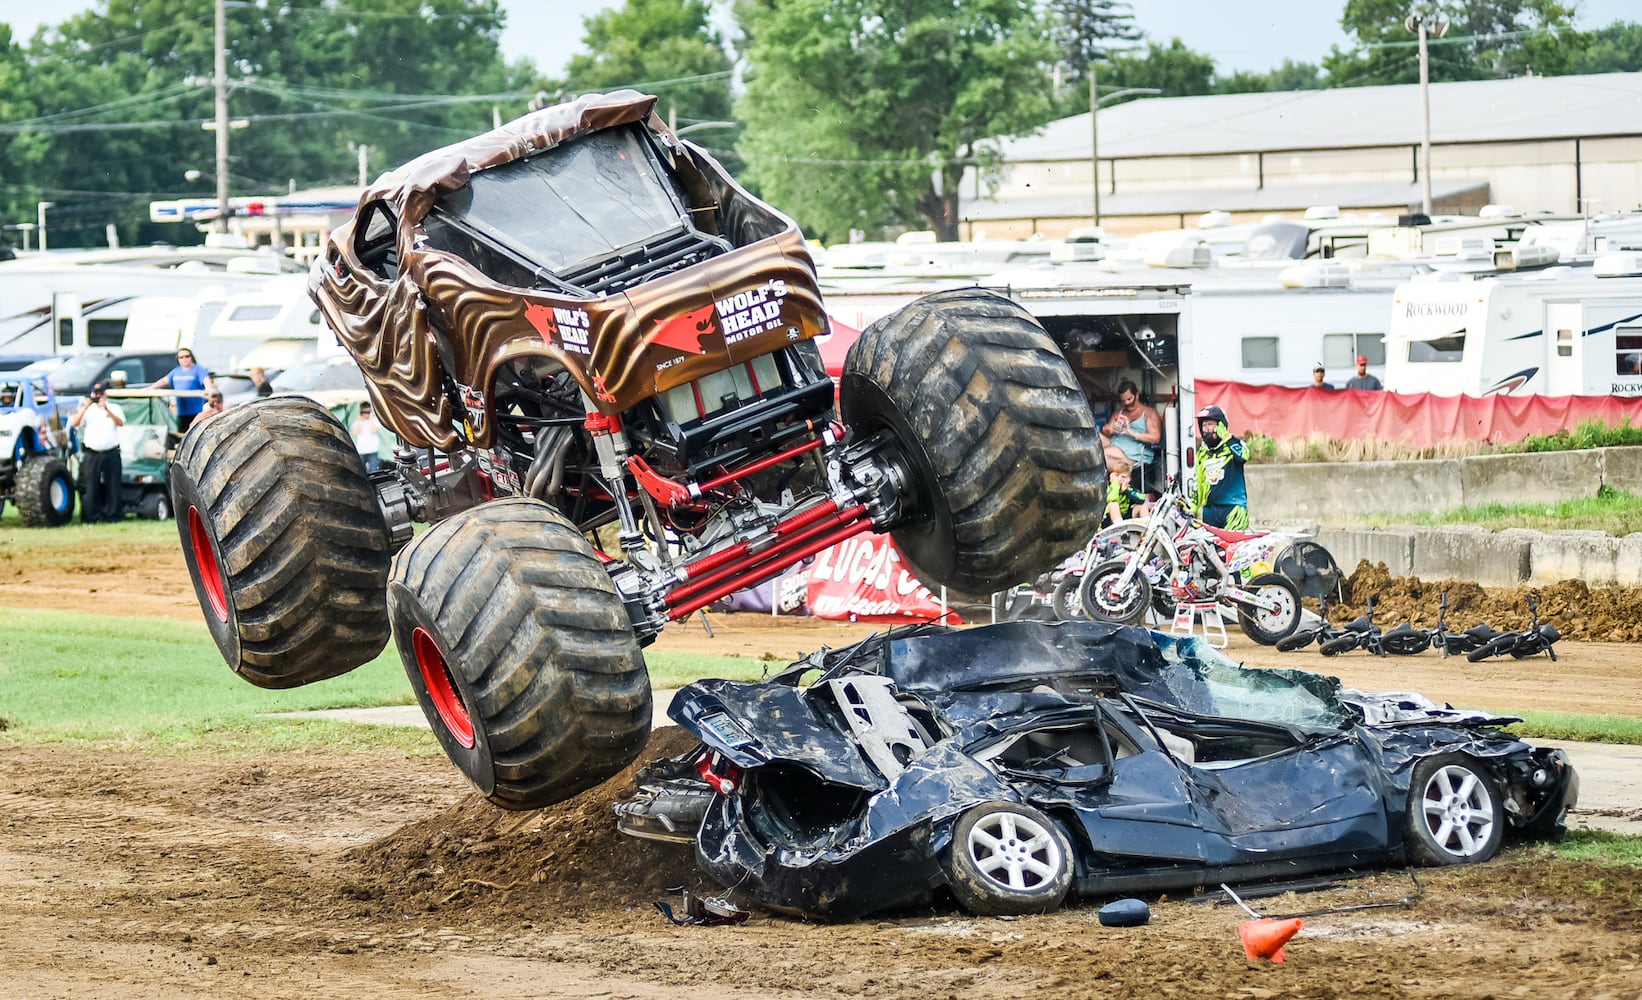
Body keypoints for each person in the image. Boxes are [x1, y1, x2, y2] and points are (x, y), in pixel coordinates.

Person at [71, 381, 125, 524]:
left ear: (105, 394)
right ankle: (91, 516)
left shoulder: (114, 407)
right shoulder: (88, 410)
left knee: (113, 484)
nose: (98, 396)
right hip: (92, 453)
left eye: (101, 393)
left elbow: (120, 422)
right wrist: (85, 406)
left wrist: (106, 409)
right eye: (96, 393)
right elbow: (74, 424)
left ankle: (113, 515)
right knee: (90, 485)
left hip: (111, 451)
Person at [1191, 404, 1249, 530]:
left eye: (1210, 424)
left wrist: (1227, 438)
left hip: (1234, 508)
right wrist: (1193, 508)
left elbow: (1243, 457)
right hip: (1210, 511)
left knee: (1234, 548)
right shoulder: (1202, 452)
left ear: (1221, 424)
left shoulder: (1234, 443)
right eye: (1204, 425)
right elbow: (1199, 481)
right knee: (1209, 548)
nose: (1206, 429)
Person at [1099, 380, 1162, 487]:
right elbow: (1104, 433)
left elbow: (1156, 437)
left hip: (1133, 454)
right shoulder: (1118, 413)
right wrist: (1110, 428)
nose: (1127, 403)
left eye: (1129, 399)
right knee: (1093, 437)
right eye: (1123, 401)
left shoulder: (1149, 413)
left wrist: (1132, 433)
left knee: (1100, 455)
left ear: (1136, 396)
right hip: (1114, 444)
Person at [148, 348, 217, 434]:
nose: (184, 359)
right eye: (181, 357)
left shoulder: (198, 370)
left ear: (191, 357)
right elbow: (163, 381)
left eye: (187, 356)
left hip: (196, 412)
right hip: (182, 413)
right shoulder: (176, 371)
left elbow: (207, 383)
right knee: (182, 436)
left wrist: (210, 393)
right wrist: (147, 389)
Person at [1104, 456, 1149, 527]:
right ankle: (1120, 529)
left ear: (1129, 479)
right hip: (1109, 519)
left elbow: (1142, 499)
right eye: (1117, 475)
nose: (1120, 479)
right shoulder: (1110, 487)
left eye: (1123, 477)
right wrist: (1115, 484)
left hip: (1125, 516)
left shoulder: (1129, 489)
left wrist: (1126, 491)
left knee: (1141, 506)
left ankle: (1147, 531)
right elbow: (1111, 499)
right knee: (1113, 505)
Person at [352, 402, 383, 473]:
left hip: (373, 450)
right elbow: (355, 432)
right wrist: (359, 420)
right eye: (364, 412)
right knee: (360, 471)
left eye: (368, 412)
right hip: (361, 450)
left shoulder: (375, 421)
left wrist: (371, 419)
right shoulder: (357, 422)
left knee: (375, 471)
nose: (366, 414)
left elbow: (373, 430)